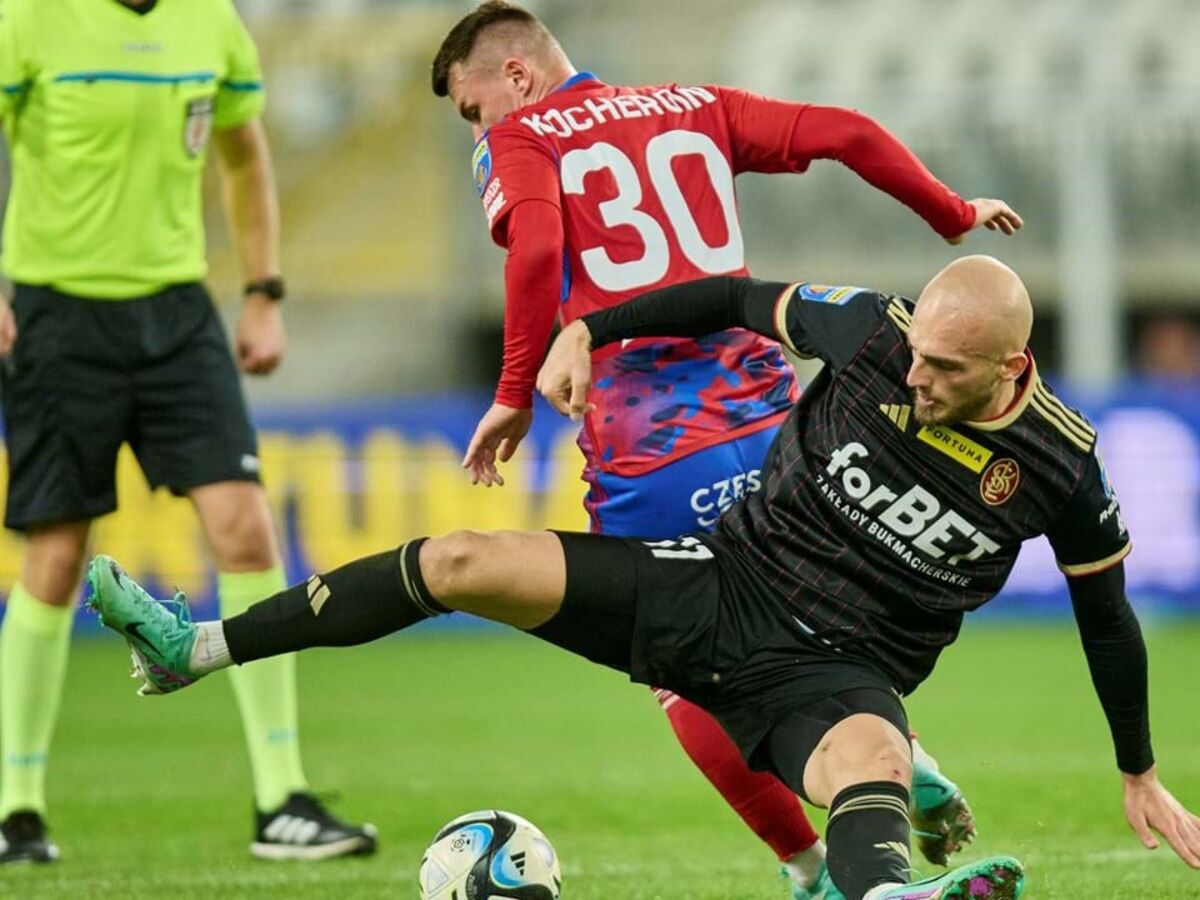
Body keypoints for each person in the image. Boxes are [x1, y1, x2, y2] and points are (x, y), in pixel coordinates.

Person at [85, 255, 1200, 899]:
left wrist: (1140, 770)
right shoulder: (871, 331)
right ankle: (196, 651)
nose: (915, 377)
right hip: (715, 586)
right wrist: (586, 327)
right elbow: (723, 296)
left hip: (844, 672)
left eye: (945, 371)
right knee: (458, 559)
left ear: (1014, 366)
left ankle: (885, 888)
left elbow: (1107, 620)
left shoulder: (1063, 467)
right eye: (915, 355)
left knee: (869, 758)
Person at [430, 4, 1022, 895]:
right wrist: (947, 212)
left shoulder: (525, 137)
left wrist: (513, 395)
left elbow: (541, 241)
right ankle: (899, 765)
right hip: (775, 424)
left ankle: (815, 870)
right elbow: (848, 131)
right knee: (801, 624)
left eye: (473, 110)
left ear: (513, 78)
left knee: (686, 669)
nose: (481, 130)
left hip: (653, 444)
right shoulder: (690, 103)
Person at [0, 0, 375, 862]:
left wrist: (263, 290)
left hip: (177, 313)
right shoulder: (28, 18)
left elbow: (246, 154)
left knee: (244, 524)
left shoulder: (211, 21)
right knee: (54, 556)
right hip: (58, 312)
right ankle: (17, 810)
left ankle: (282, 797)